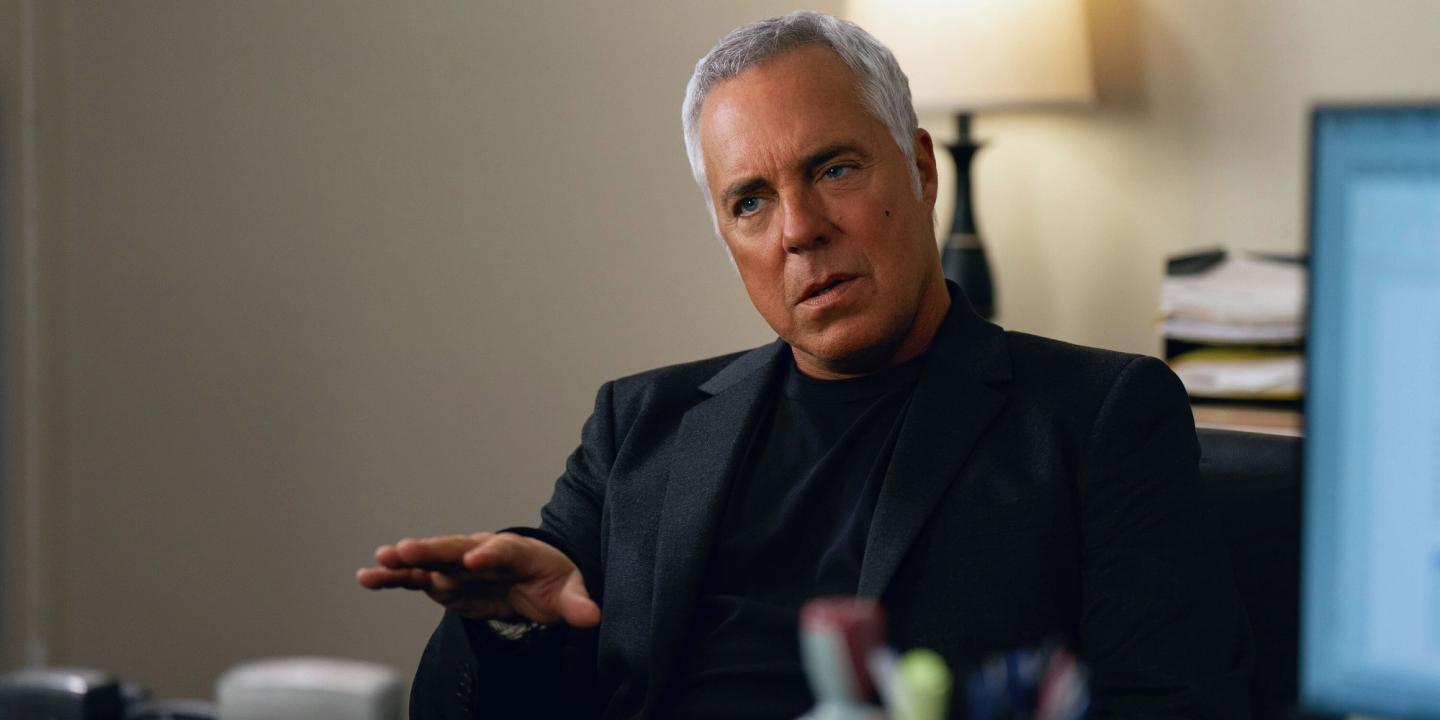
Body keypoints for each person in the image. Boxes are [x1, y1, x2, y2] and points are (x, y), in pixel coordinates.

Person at [357, 11, 1252, 719]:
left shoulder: (1098, 415)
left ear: (921, 169)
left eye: (832, 170)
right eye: (751, 202)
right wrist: (512, 629)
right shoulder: (640, 426)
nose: (799, 230)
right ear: (726, 237)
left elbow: (1174, 705)